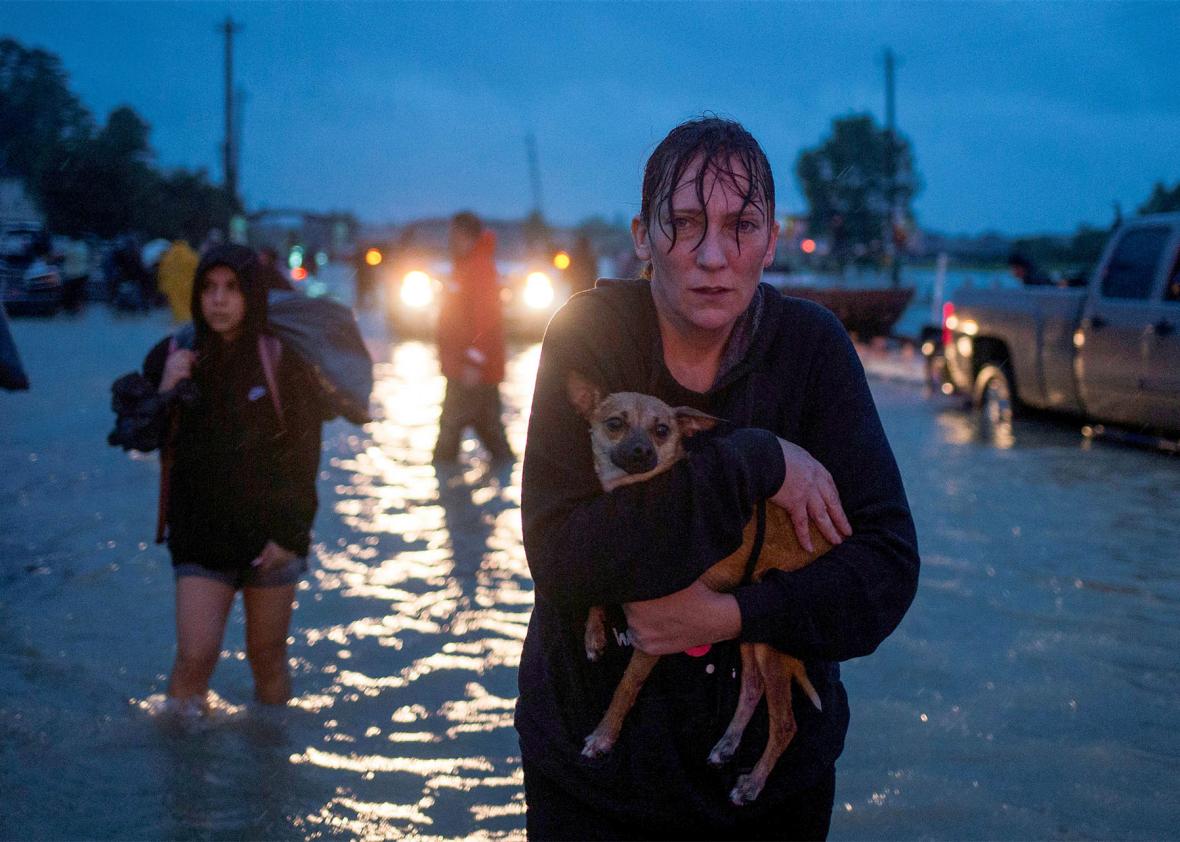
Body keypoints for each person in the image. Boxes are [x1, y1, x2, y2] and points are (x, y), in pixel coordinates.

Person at [517, 117, 919, 839]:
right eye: (685, 224)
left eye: (741, 226)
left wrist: (731, 617)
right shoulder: (590, 334)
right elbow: (560, 555)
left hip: (768, 806)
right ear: (643, 237)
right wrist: (757, 461)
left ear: (771, 240)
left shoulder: (813, 350)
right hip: (591, 786)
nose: (712, 255)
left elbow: (885, 571)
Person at [137, 244, 324, 709]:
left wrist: (289, 536)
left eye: (232, 289)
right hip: (201, 535)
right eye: (209, 288)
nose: (219, 300)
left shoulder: (282, 360)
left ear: (253, 295)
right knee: (194, 659)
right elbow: (138, 438)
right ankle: (181, 772)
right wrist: (165, 391)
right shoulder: (174, 353)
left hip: (271, 539)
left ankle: (271, 768)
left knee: (268, 659)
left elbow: (303, 457)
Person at [433, 211, 513, 463]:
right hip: (467, 367)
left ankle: (447, 492)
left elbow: (486, 318)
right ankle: (507, 482)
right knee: (488, 431)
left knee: (449, 435)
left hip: (471, 370)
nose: (450, 240)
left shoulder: (480, 268)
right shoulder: (467, 265)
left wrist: (474, 361)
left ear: (467, 236)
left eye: (454, 235)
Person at [157, 239, 199, 322]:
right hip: (188, 285)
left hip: (173, 286)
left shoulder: (167, 258)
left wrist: (163, 286)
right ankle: (189, 316)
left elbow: (162, 274)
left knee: (176, 302)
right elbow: (197, 268)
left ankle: (180, 317)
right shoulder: (191, 255)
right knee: (188, 301)